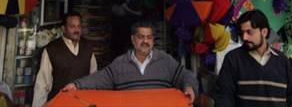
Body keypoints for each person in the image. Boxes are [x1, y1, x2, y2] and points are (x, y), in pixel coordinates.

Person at [62, 20, 198, 104]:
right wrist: (76, 84)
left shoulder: (165, 60)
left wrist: (189, 87)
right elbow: (99, 78)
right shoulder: (120, 64)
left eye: (149, 37)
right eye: (141, 37)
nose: (145, 41)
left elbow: (186, 75)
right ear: (133, 39)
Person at [214, 10, 292, 107]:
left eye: (249, 32)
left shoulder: (282, 61)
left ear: (264, 32)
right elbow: (224, 96)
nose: (244, 37)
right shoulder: (233, 59)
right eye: (242, 33)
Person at [32, 11, 97, 107]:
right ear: (63, 28)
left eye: (78, 26)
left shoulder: (87, 47)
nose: (76, 30)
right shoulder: (52, 50)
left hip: (83, 102)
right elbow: (42, 84)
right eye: (72, 26)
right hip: (60, 103)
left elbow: (94, 76)